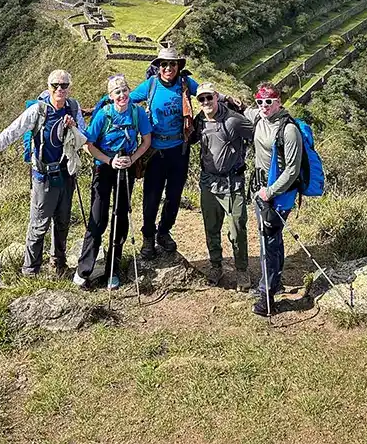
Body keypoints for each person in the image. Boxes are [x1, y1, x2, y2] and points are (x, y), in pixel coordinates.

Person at [0, 69, 86, 277]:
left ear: (69, 88)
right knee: (39, 225)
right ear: (48, 87)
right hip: (43, 176)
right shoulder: (38, 111)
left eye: (64, 85)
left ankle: (58, 263)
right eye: (55, 85)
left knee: (63, 221)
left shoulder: (73, 107)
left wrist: (74, 129)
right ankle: (30, 270)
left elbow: (84, 136)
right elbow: (12, 131)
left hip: (66, 174)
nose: (59, 89)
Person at [74, 74, 151, 289]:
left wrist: (132, 158)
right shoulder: (103, 115)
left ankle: (112, 269)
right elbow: (89, 145)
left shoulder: (137, 113)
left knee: (121, 218)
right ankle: (84, 269)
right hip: (104, 169)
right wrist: (109, 161)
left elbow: (147, 141)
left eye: (124, 89)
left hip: (125, 169)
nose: (122, 94)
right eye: (117, 91)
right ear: (110, 96)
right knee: (98, 218)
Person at [129, 45, 199, 258]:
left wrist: (229, 100)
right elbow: (126, 100)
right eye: (164, 64)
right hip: (155, 151)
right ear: (158, 67)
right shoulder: (150, 85)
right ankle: (148, 236)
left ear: (178, 66)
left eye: (172, 64)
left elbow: (207, 93)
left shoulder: (185, 84)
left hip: (179, 149)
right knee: (152, 195)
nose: (168, 68)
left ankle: (164, 231)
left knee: (174, 195)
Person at [245, 82, 303, 317]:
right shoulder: (259, 117)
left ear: (279, 101)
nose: (264, 106)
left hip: (279, 193)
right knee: (273, 237)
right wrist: (216, 96)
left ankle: (266, 297)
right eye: (259, 101)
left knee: (267, 241)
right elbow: (240, 108)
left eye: (268, 101)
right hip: (261, 189)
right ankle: (275, 283)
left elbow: (292, 170)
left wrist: (270, 192)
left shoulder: (288, 130)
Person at [189, 82, 254, 291]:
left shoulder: (233, 121)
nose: (206, 102)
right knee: (211, 227)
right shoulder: (200, 121)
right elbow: (189, 139)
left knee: (237, 228)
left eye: (209, 97)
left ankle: (242, 270)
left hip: (233, 182)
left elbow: (257, 135)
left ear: (216, 97)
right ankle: (216, 266)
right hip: (209, 182)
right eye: (202, 99)